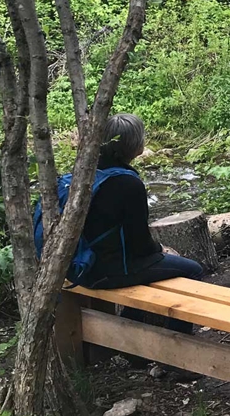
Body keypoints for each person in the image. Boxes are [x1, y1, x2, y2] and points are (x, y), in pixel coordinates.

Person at [80, 114, 202, 330]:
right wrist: (161, 249)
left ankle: (128, 328)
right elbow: (140, 245)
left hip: (80, 267)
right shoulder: (128, 184)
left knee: (150, 269)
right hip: (107, 272)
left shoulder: (85, 173)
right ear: (136, 145)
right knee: (193, 270)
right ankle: (178, 340)